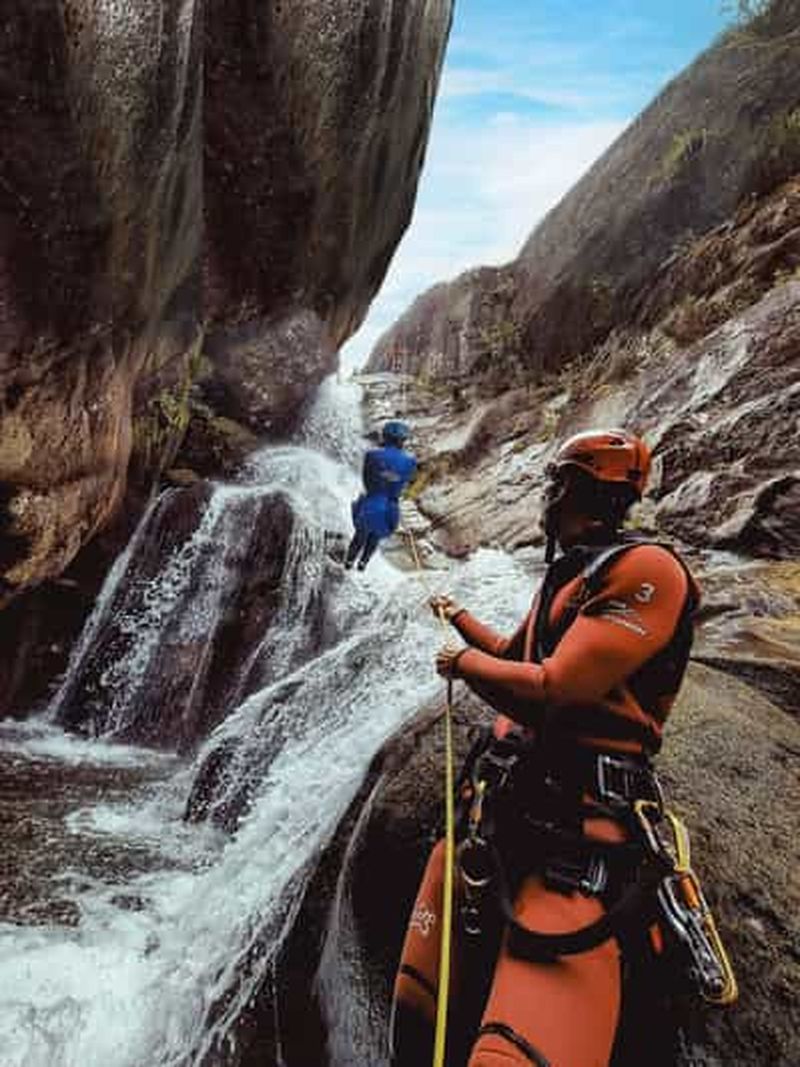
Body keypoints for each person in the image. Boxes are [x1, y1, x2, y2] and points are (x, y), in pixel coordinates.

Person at [390, 428, 702, 1067]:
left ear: (580, 490)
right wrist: (461, 621)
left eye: (555, 483)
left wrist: (462, 665)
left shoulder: (647, 570)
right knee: (415, 1009)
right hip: (505, 810)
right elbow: (517, 656)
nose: (546, 495)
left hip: (577, 839)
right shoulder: (574, 571)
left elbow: (555, 690)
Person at [346, 420, 417, 571]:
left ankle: (349, 560)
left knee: (361, 533)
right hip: (390, 509)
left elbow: (366, 480)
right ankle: (363, 562)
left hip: (370, 503)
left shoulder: (371, 455)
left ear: (385, 437)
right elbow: (405, 482)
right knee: (377, 534)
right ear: (402, 441)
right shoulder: (410, 461)